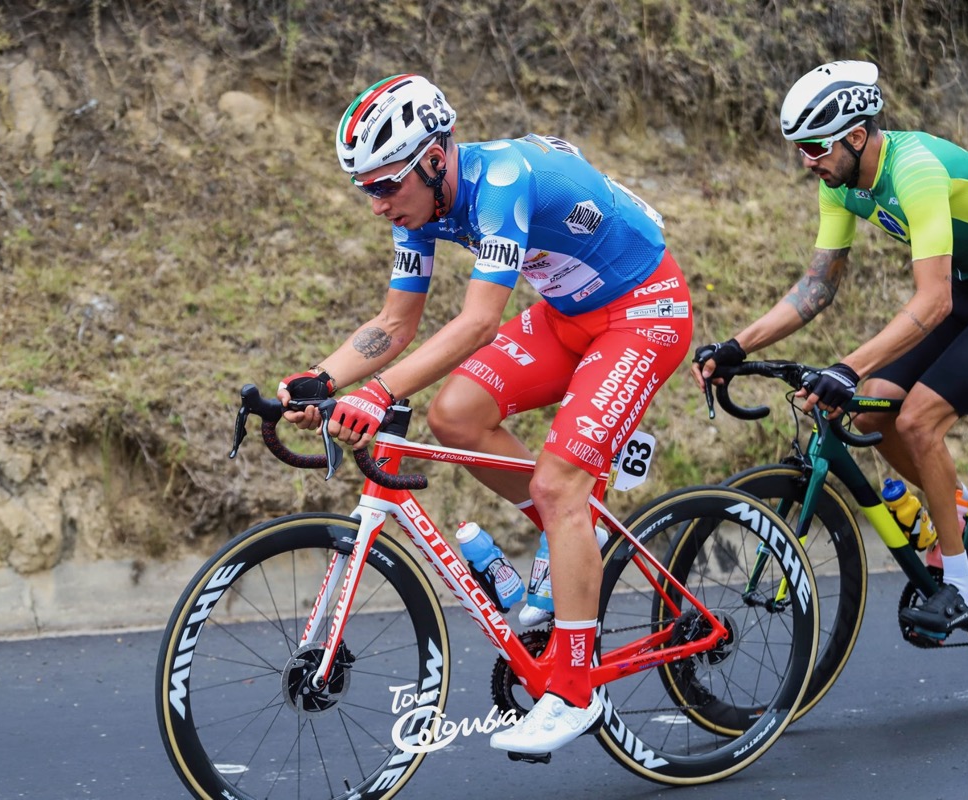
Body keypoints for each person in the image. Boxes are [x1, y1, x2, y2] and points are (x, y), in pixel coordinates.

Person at [276, 74, 692, 754]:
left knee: (559, 483)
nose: (378, 204)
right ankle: (571, 542)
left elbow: (477, 322)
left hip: (644, 313)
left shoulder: (500, 180)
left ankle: (575, 689)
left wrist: (376, 393)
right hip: (570, 313)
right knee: (456, 416)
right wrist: (322, 380)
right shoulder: (421, 206)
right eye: (366, 190)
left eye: (386, 186)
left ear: (436, 158)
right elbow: (395, 320)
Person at [692, 60, 968, 637]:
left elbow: (931, 301)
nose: (806, 160)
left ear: (856, 136)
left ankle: (962, 588)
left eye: (814, 146)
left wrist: (846, 366)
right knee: (870, 406)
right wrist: (738, 345)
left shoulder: (913, 170)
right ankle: (957, 510)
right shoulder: (841, 184)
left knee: (916, 421)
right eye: (799, 148)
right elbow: (817, 288)